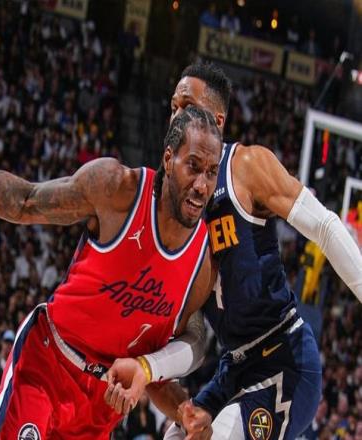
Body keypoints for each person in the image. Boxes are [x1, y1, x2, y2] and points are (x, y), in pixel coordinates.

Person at [0, 105, 222, 439]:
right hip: (48, 365)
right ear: (169, 158)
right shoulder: (117, 190)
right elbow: (27, 200)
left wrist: (184, 412)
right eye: (193, 166)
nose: (201, 185)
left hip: (101, 406)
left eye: (211, 172)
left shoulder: (202, 265)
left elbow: (152, 370)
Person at [104, 61, 362, 440]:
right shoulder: (173, 205)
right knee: (176, 436)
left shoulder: (245, 167)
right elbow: (194, 334)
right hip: (233, 365)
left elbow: (324, 226)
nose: (176, 115)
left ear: (217, 120)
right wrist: (148, 367)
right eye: (173, 106)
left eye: (187, 105)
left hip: (285, 356)